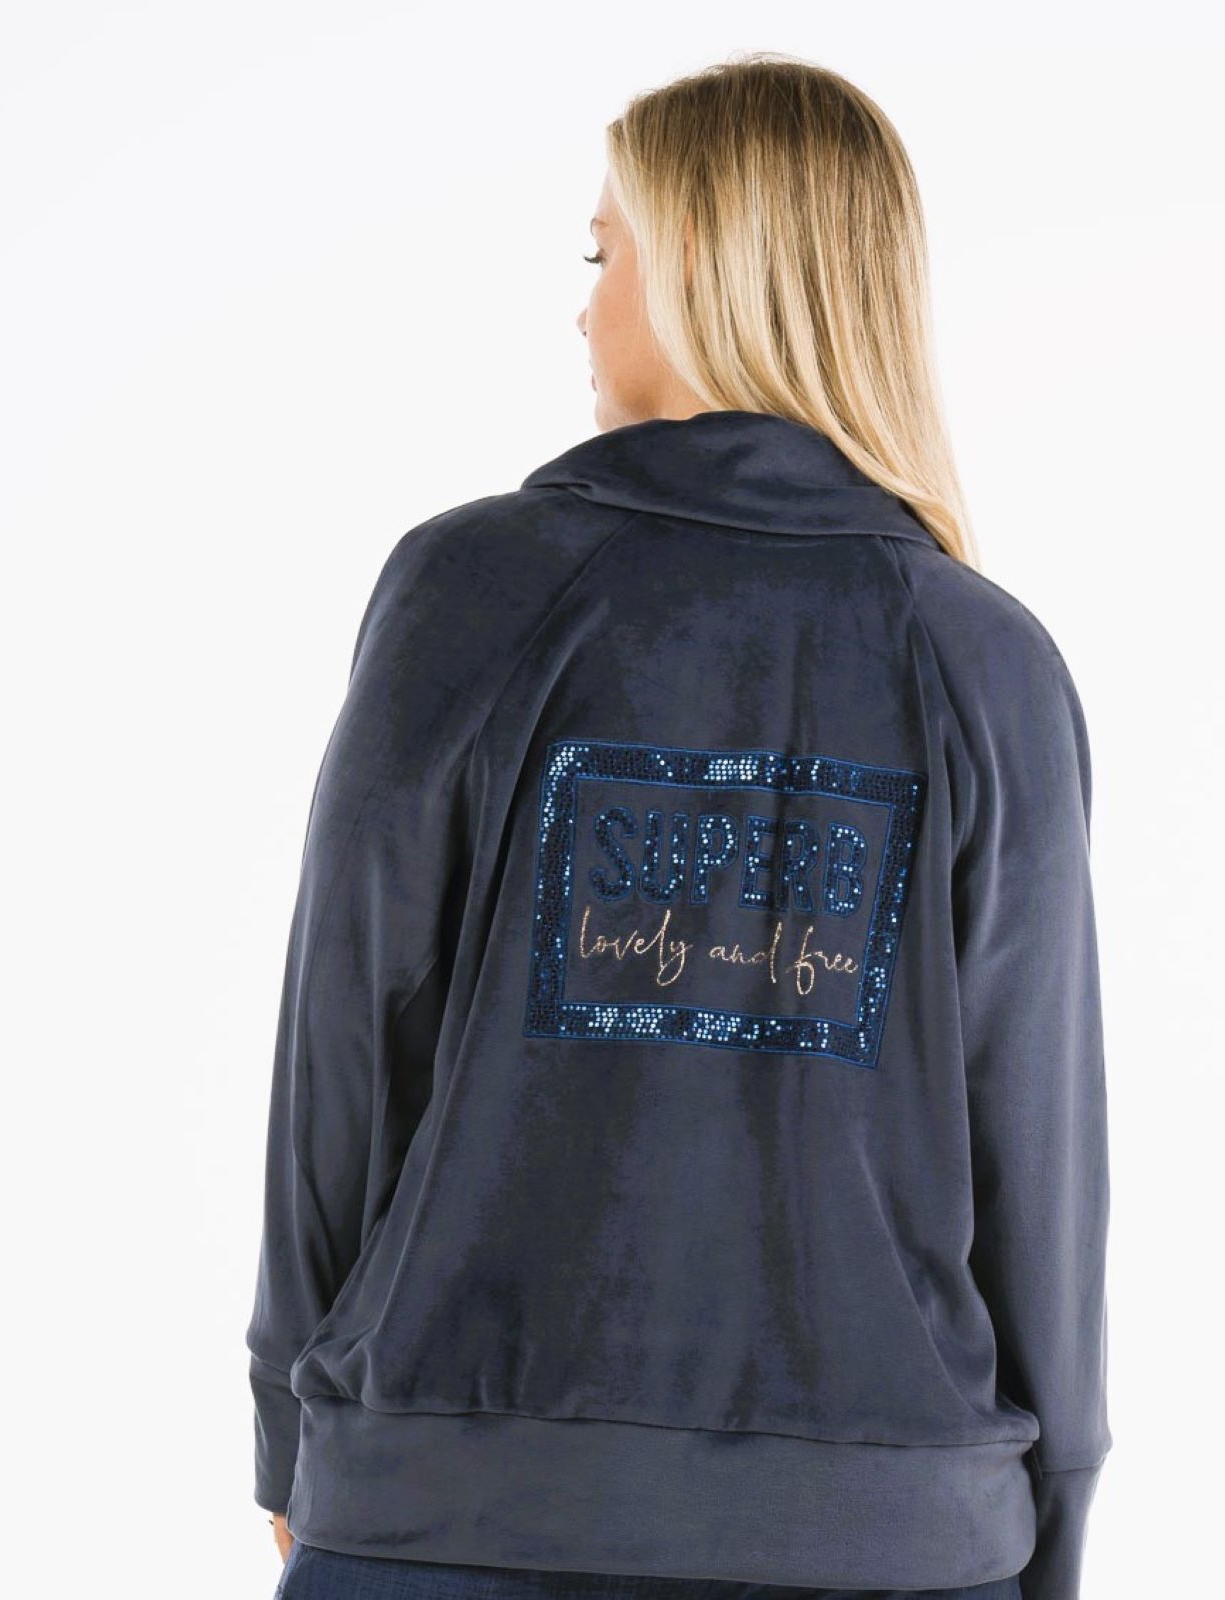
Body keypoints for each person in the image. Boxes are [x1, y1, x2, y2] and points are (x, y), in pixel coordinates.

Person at [246, 51, 1112, 1600]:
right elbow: (1037, 1151)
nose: (583, 311)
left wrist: (288, 1430)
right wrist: (1056, 1511)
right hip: (893, 1542)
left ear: (702, 259)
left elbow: (344, 1044)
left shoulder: (471, 593)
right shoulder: (985, 663)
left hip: (453, 1516)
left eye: (604, 255)